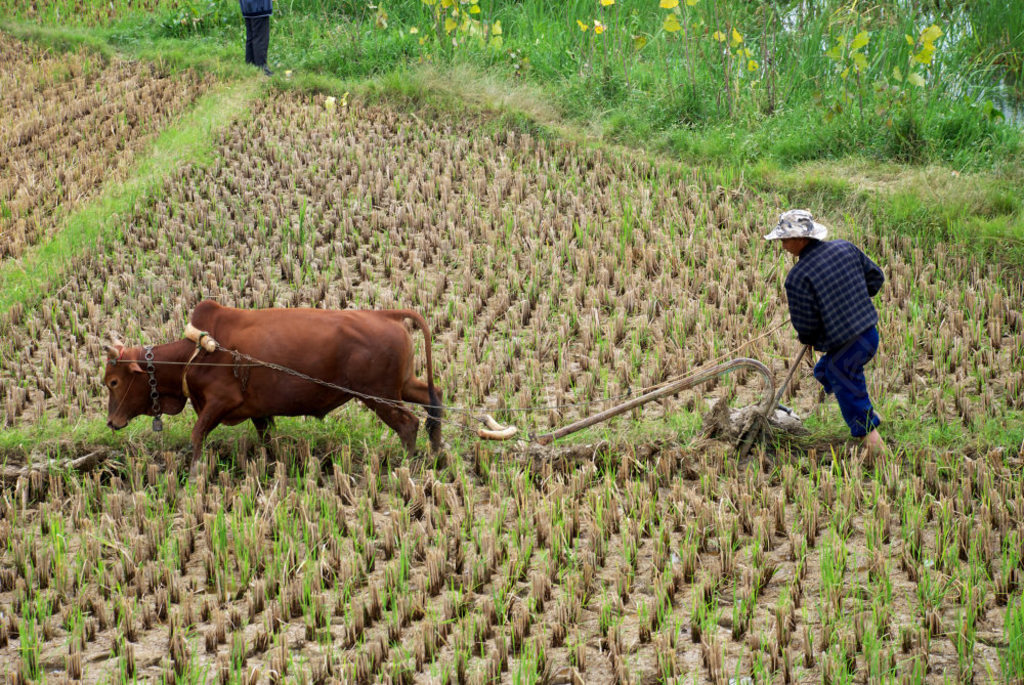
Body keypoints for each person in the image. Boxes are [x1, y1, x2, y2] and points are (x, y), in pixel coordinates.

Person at [765, 209, 886, 455]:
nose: (783, 244)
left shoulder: (798, 277)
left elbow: (807, 328)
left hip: (847, 347)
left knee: (845, 381)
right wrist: (856, 300)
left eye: (785, 239)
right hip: (869, 335)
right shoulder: (845, 247)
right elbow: (876, 278)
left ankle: (876, 448)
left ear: (801, 239)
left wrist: (811, 338)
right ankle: (866, 411)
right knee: (824, 371)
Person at [240, 0, 273, 76]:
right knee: (260, 37)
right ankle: (261, 67)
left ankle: (250, 64)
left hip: (246, 6)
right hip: (259, 6)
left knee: (251, 36)